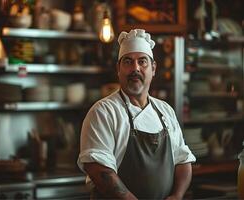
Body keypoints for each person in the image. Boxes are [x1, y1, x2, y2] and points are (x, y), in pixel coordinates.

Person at [77, 29, 196, 200]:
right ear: (118, 68)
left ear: (153, 68)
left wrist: (177, 195)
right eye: (128, 62)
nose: (135, 68)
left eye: (142, 61)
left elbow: (183, 160)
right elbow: (99, 170)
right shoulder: (103, 112)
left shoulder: (165, 111)